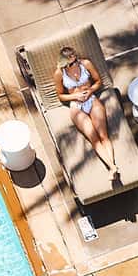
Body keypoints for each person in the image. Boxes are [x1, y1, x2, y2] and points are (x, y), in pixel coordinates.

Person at [52, 46, 117, 182]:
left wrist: (90, 91)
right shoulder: (59, 73)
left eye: (75, 61)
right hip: (76, 106)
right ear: (64, 63)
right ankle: (112, 167)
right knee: (93, 137)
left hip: (92, 100)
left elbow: (98, 81)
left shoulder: (85, 64)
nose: (74, 64)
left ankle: (112, 168)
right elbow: (60, 96)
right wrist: (75, 96)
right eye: (70, 63)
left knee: (104, 135)